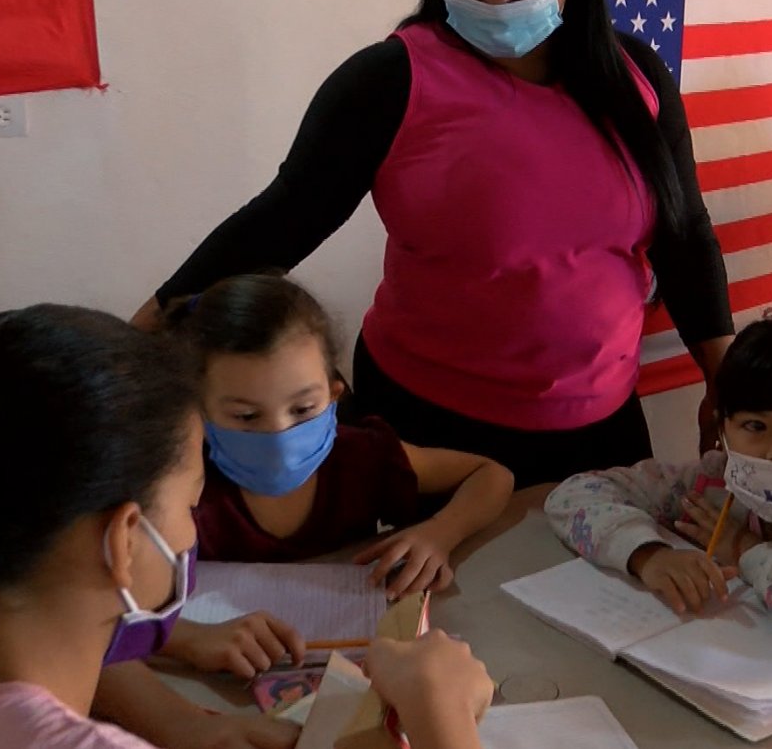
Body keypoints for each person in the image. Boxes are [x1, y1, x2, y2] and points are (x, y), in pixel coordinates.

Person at [130, 0, 734, 487]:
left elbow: (684, 235)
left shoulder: (635, 77)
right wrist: (138, 344)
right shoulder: (390, 82)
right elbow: (280, 223)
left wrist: (728, 377)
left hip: (601, 426)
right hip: (428, 430)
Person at [0, 305, 493, 749]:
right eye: (190, 499)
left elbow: (61, 654)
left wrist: (185, 727)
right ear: (123, 539)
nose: (193, 533)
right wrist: (442, 717)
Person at [158, 274, 514, 680]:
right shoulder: (175, 484)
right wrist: (188, 638)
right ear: (197, 412)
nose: (278, 434)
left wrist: (441, 533)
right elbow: (99, 607)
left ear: (333, 393)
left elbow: (491, 474)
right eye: (246, 416)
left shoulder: (360, 455)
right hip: (218, 685)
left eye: (303, 409)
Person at [544, 309, 772, 661]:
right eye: (756, 426)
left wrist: (743, 549)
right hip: (751, 669)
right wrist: (648, 555)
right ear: (721, 431)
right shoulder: (715, 482)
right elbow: (571, 497)